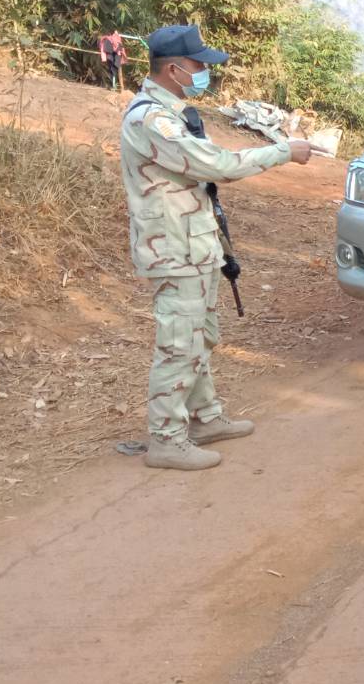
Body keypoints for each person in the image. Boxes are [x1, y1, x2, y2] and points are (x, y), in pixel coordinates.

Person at [120, 25, 313, 470]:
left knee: (200, 335)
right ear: (173, 69)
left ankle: (204, 417)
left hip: (194, 246)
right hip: (173, 250)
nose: (205, 72)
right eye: (198, 65)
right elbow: (215, 164)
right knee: (179, 344)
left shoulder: (173, 113)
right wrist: (283, 151)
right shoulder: (150, 120)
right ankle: (166, 439)